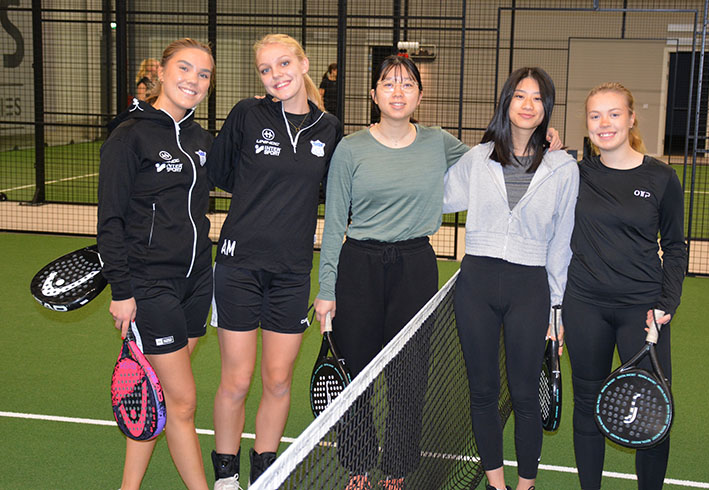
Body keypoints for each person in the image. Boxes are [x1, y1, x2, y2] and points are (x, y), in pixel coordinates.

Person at [313, 55, 469, 490]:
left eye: (407, 84)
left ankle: (397, 468)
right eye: (388, 84)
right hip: (358, 268)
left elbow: (491, 162)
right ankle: (357, 466)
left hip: (416, 268)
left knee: (410, 376)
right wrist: (327, 289)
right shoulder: (351, 148)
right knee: (355, 374)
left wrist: (539, 142)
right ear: (373, 95)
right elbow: (333, 225)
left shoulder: (439, 142)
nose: (398, 92)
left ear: (420, 94)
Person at [207, 33, 342, 489]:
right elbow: (221, 171)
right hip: (238, 265)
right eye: (265, 70)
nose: (275, 75)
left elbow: (332, 192)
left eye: (283, 64)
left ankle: (264, 474)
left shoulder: (330, 128)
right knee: (237, 380)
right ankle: (226, 477)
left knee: (279, 379)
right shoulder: (248, 114)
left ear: (304, 64)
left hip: (290, 273)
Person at [443, 67, 579, 490]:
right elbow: (439, 197)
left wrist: (557, 310)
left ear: (546, 110)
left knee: (524, 395)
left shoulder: (563, 167)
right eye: (520, 96)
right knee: (482, 392)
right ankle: (495, 484)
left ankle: (526, 485)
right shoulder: (478, 158)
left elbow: (562, 244)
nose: (527, 105)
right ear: (506, 102)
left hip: (529, 288)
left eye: (537, 98)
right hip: (476, 284)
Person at [97, 38, 215, 490]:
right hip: (148, 286)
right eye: (184, 69)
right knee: (183, 403)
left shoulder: (202, 139)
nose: (193, 80)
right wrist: (122, 291)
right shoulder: (130, 135)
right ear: (161, 73)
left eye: (203, 74)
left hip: (196, 282)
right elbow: (109, 220)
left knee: (158, 394)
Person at [563, 82, 686, 490]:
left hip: (642, 310)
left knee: (651, 408)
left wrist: (666, 304)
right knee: (587, 406)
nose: (604, 123)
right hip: (585, 306)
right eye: (595, 115)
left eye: (614, 114)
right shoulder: (574, 173)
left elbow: (674, 246)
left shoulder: (662, 178)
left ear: (631, 118)